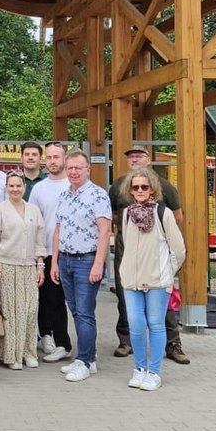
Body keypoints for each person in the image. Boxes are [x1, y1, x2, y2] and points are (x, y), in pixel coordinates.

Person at [111, 145, 191, 365]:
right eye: (131, 157)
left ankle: (173, 344)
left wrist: (167, 262)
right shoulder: (118, 186)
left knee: (162, 307)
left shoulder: (165, 187)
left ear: (148, 160)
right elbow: (114, 215)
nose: (135, 160)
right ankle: (126, 340)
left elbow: (177, 217)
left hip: (157, 253)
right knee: (125, 299)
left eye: (139, 156)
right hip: (127, 250)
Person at [117, 167, 185, 392]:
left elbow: (178, 249)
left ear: (152, 188)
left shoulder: (162, 213)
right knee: (136, 324)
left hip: (157, 280)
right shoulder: (127, 213)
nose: (139, 190)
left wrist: (167, 272)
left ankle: (154, 372)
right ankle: (139, 368)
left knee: (156, 324)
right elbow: (126, 243)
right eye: (135, 187)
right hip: (132, 280)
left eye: (144, 187)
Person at [48, 150, 112, 383]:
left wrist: (98, 263)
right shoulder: (65, 195)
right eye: (70, 168)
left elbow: (104, 231)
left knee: (85, 312)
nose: (73, 172)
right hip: (65, 259)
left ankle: (84, 361)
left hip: (87, 259)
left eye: (78, 168)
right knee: (75, 310)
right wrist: (54, 262)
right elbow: (58, 230)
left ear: (88, 170)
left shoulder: (98, 195)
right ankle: (88, 357)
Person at [0, 172, 45, 370]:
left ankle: (28, 352)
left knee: (30, 310)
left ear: (24, 187)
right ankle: (11, 355)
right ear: (6, 187)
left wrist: (40, 265)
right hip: (6, 265)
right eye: (11, 186)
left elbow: (40, 240)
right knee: (10, 312)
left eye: (18, 185)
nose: (15, 189)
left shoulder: (33, 210)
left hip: (29, 266)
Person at [27, 141, 72, 364]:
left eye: (57, 157)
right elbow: (34, 221)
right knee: (47, 299)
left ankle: (67, 343)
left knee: (68, 301)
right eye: (50, 157)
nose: (53, 161)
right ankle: (50, 337)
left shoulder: (73, 185)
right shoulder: (39, 188)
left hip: (70, 251)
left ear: (65, 159)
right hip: (45, 251)